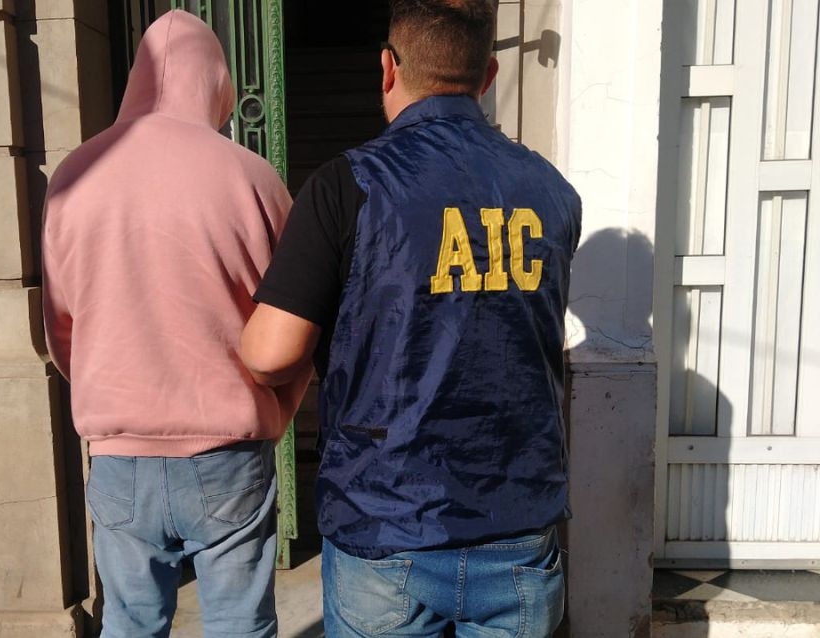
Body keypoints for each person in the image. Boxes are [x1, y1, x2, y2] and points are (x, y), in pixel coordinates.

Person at [241, 0, 582, 636]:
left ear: (387, 68)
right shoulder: (552, 190)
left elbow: (269, 353)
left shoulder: (346, 184)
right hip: (517, 522)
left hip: (385, 520)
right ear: (489, 76)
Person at [41, 11, 303, 638]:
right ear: (217, 82)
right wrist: (276, 409)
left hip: (119, 450)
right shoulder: (253, 177)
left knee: (130, 623)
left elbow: (60, 326)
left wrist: (111, 393)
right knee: (240, 625)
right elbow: (295, 320)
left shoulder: (76, 174)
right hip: (228, 447)